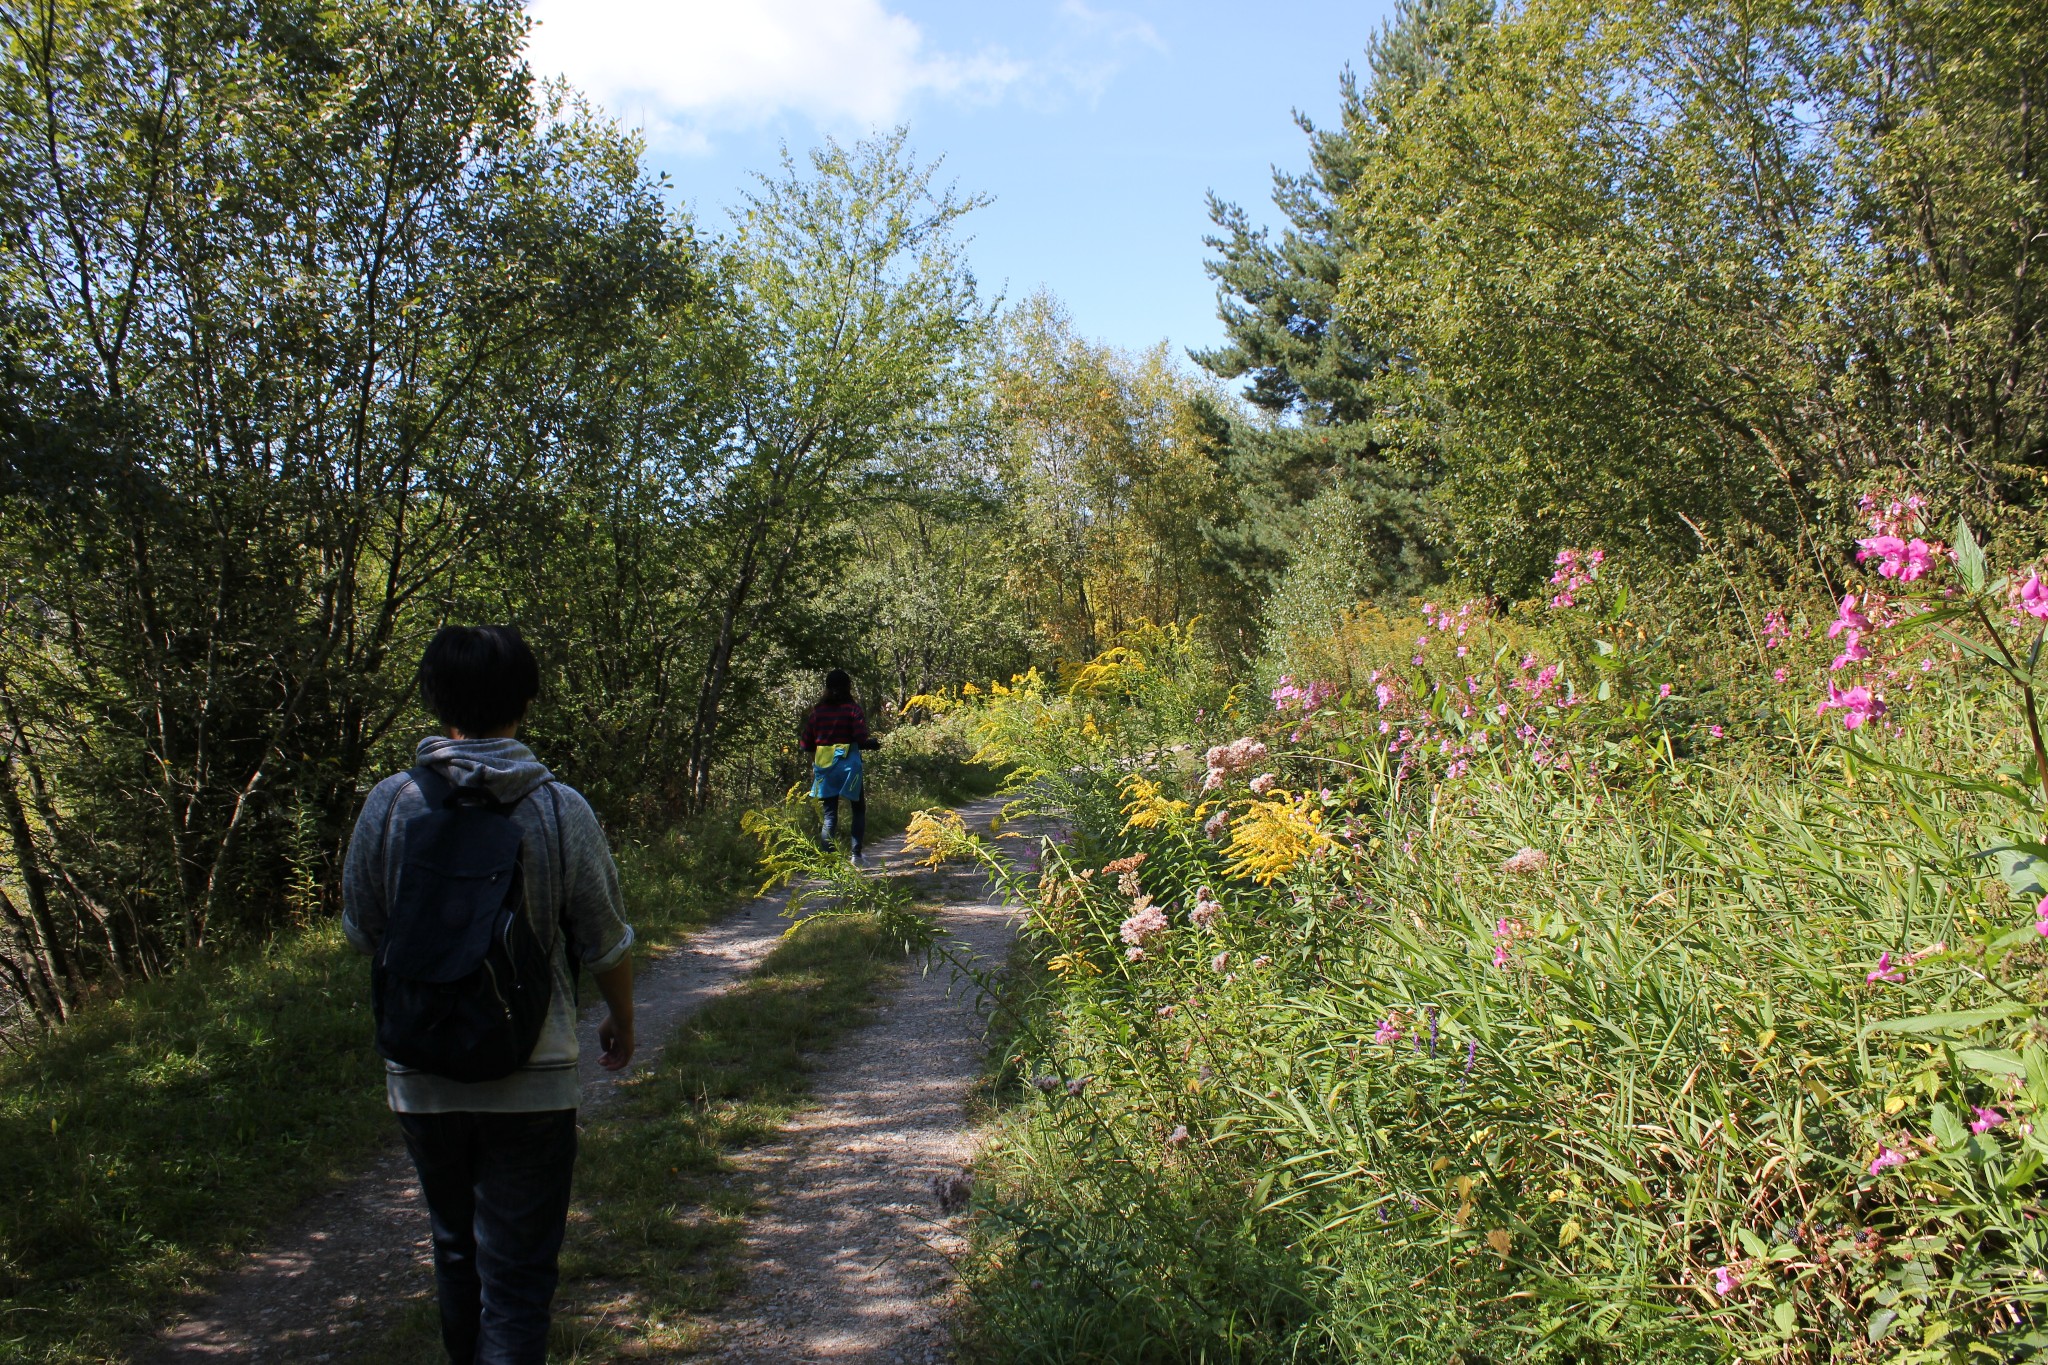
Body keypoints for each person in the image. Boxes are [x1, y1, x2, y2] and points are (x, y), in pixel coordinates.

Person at [342, 625, 635, 1365]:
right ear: (525, 703)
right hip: (531, 1078)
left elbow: (363, 929)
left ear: (436, 700)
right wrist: (620, 1021)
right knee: (518, 1279)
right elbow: (605, 938)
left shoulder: (390, 803)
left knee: (455, 1252)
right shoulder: (560, 807)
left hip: (422, 1072)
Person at [800, 668, 881, 864]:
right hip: (849, 765)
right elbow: (860, 738)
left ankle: (828, 860)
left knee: (830, 814)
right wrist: (872, 743)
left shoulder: (817, 712)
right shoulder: (852, 709)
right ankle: (856, 855)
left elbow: (806, 744)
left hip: (824, 766)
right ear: (848, 687)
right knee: (858, 808)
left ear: (827, 687)